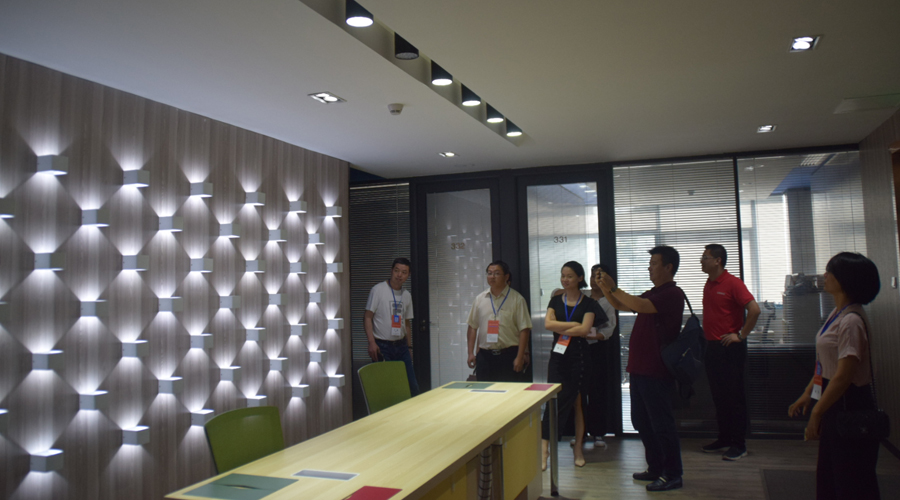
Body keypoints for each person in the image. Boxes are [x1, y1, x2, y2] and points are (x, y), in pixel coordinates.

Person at [788, 252, 881, 500]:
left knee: (851, 479)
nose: (825, 276)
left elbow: (843, 376)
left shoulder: (851, 321)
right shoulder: (836, 314)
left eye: (830, 272)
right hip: (834, 399)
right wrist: (808, 394)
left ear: (845, 280)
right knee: (831, 475)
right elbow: (824, 365)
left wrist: (816, 414)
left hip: (849, 403)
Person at [598, 245, 685, 492]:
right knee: (641, 421)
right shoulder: (654, 292)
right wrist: (605, 288)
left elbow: (639, 304)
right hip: (640, 369)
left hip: (656, 370)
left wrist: (614, 288)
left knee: (661, 424)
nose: (649, 268)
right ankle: (655, 467)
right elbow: (623, 305)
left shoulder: (672, 293)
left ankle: (673, 473)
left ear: (668, 267)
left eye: (654, 263)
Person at [700, 244, 760, 461]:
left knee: (734, 398)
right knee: (719, 397)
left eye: (705, 257)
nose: (701, 261)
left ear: (718, 261)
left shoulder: (733, 283)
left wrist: (741, 335)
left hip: (729, 348)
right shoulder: (709, 283)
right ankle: (724, 438)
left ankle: (739, 444)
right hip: (712, 347)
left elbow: (754, 310)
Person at [541, 261, 602, 470]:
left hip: (579, 358)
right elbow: (548, 324)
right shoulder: (555, 300)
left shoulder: (589, 303)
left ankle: (578, 449)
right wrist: (573, 325)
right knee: (551, 401)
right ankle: (544, 450)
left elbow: (585, 330)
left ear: (579, 278)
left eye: (569, 276)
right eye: (563, 276)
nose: (565, 280)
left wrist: (565, 327)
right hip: (558, 358)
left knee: (578, 404)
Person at [466, 260, 532, 382]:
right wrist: (470, 353)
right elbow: (472, 327)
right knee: (484, 392)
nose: (492, 277)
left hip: (509, 355)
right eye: (489, 273)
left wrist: (520, 356)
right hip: (485, 356)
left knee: (509, 391)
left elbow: (524, 329)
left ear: (506, 276)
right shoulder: (480, 299)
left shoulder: (517, 299)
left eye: (497, 273)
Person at [364, 258, 419, 395]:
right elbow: (368, 317)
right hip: (382, 347)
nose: (399, 275)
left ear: (408, 275)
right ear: (391, 271)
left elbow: (407, 323)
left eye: (404, 272)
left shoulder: (406, 295)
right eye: (396, 271)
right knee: (386, 389)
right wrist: (371, 342)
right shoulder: (378, 290)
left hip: (401, 346)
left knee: (412, 386)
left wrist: (409, 347)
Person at [584, 263, 618, 448]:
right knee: (580, 391)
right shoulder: (582, 296)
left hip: (599, 348)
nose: (594, 279)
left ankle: (598, 433)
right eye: (592, 275)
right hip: (580, 347)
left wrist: (593, 335)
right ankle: (579, 432)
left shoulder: (609, 300)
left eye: (598, 276)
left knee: (598, 391)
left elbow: (610, 328)